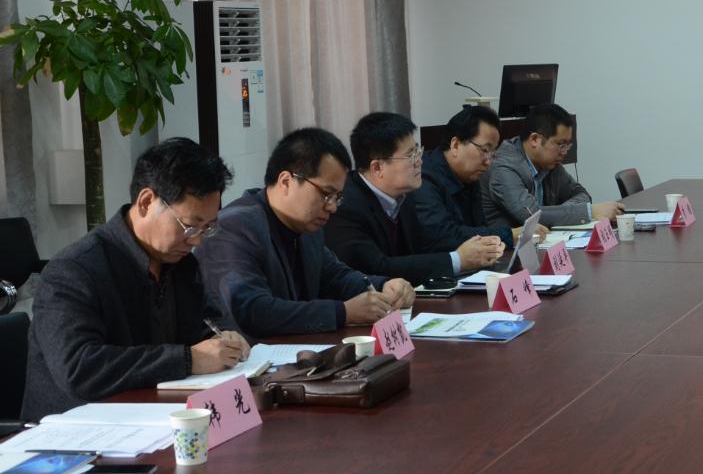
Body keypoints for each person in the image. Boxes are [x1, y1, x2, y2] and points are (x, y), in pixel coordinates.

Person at [23, 138, 248, 421]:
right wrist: (188, 360)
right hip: (78, 431)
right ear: (146, 202)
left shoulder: (182, 264)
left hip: (156, 415)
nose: (197, 241)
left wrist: (227, 336)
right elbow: (79, 369)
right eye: (190, 226)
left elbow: (209, 319)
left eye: (208, 228)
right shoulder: (73, 271)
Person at [197, 127, 415, 337]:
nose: (332, 207)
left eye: (337, 197)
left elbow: (335, 277)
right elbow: (252, 310)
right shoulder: (234, 227)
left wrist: (384, 286)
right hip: (249, 356)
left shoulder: (305, 224)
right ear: (286, 181)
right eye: (325, 194)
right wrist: (343, 313)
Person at [325, 112, 505, 283]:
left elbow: (424, 248)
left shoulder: (404, 195)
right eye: (410, 155)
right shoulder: (344, 205)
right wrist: (458, 260)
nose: (420, 161)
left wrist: (479, 249)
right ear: (378, 168)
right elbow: (377, 268)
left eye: (418, 151)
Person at [411, 106, 539, 254]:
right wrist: (508, 235)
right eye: (484, 150)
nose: (488, 161)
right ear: (455, 145)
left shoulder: (469, 175)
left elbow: (478, 227)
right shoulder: (424, 177)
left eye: (492, 153)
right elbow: (442, 236)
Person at [481, 103, 623, 227]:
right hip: (506, 248)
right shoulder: (504, 167)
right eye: (561, 144)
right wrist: (588, 211)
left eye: (567, 146)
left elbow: (581, 194)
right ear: (535, 139)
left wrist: (561, 213)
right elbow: (532, 216)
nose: (564, 152)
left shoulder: (549, 165)